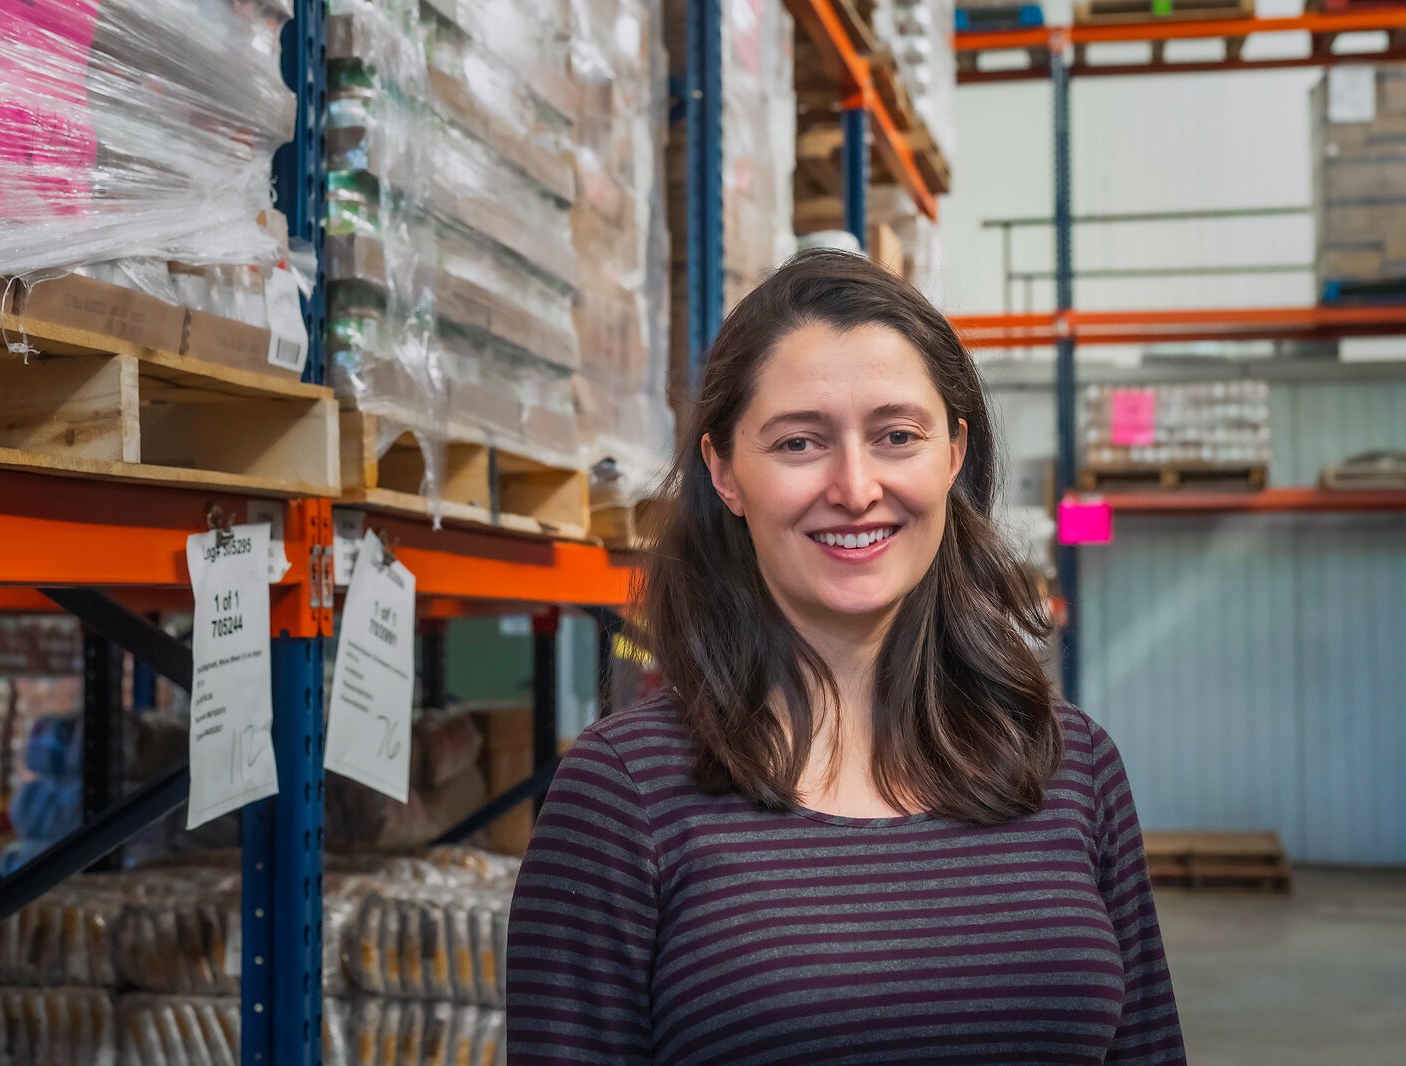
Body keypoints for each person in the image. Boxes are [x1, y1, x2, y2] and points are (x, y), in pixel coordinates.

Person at [505, 249, 1185, 1064]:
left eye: (897, 436)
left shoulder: (1071, 764)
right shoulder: (624, 798)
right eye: (799, 443)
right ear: (724, 471)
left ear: (953, 454)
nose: (856, 486)